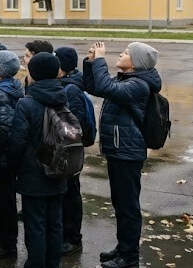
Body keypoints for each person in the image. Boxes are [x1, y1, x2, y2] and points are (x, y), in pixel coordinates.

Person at [84, 42, 160, 268]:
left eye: (126, 53)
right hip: (119, 150)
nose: (120, 54)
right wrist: (90, 62)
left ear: (137, 63)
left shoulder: (139, 85)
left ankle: (129, 258)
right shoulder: (128, 80)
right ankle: (123, 247)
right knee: (121, 204)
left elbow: (107, 88)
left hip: (128, 152)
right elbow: (95, 86)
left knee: (128, 207)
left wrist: (100, 61)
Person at [9, 52, 69, 268]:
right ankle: (52, 263)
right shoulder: (63, 97)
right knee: (55, 223)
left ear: (33, 74)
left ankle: (35, 264)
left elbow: (17, 142)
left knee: (35, 224)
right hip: (59, 168)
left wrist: (12, 169)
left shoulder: (27, 104)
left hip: (33, 173)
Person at [0, 50, 24, 260]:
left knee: (3, 202)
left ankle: (5, 243)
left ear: (0, 71)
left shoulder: (0, 94)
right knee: (5, 200)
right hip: (6, 157)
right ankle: (5, 240)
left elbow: (4, 127)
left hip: (1, 159)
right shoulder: (9, 88)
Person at [55, 47, 86, 256]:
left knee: (71, 194)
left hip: (68, 150)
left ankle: (73, 238)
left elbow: (74, 122)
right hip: (62, 150)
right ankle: (66, 234)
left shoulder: (71, 89)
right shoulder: (65, 85)